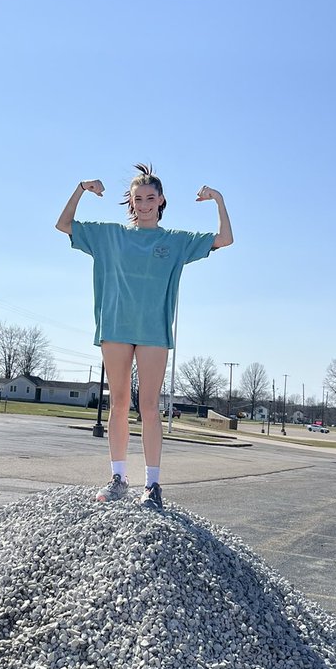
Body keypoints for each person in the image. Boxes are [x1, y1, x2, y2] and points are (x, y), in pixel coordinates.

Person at [56, 163, 233, 509]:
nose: (144, 203)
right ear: (131, 202)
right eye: (138, 198)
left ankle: (152, 486)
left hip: (153, 332)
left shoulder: (175, 242)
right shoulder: (109, 236)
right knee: (119, 403)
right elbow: (63, 225)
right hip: (115, 328)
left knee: (149, 407)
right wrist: (80, 188)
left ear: (161, 200)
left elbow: (224, 239)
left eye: (151, 197)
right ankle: (118, 478)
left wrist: (219, 200)